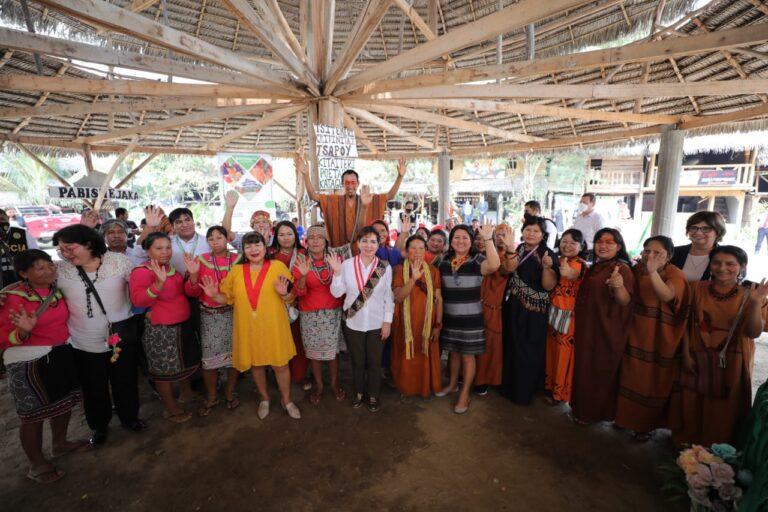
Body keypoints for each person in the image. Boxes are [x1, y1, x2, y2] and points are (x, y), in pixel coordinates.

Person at [53, 225, 146, 443]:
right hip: (82, 341)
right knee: (93, 387)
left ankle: (129, 418)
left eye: (69, 248)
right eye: (61, 250)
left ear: (88, 244)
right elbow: (35, 285)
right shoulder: (59, 269)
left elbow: (139, 288)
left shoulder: (118, 261)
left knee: (126, 381)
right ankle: (99, 426)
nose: (65, 254)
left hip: (120, 337)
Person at [0, 250, 86, 483]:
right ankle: (36, 464)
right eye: (39, 268)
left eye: (49, 265)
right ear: (23, 273)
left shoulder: (54, 289)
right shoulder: (11, 297)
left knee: (63, 403)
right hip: (28, 361)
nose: (48, 270)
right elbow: (3, 335)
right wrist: (24, 331)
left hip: (59, 352)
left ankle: (60, 443)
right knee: (33, 415)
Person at [670, 246, 768, 446]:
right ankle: (689, 447)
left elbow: (753, 333)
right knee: (692, 398)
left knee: (725, 405)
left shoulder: (752, 293)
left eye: (730, 264)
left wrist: (757, 304)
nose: (722, 268)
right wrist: (687, 354)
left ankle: (718, 450)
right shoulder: (697, 288)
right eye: (716, 262)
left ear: (742, 267)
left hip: (733, 359)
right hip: (697, 352)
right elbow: (687, 323)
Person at [199, 232, 301, 420]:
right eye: (248, 246)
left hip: (274, 326)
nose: (253, 250)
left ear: (265, 247)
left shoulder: (278, 266)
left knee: (280, 365)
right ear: (243, 251)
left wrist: (284, 293)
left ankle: (287, 401)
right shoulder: (237, 271)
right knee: (257, 365)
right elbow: (226, 299)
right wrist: (214, 295)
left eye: (257, 245)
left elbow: (292, 298)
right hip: (248, 327)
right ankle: (265, 399)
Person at [614, 236, 690, 440]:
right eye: (647, 251)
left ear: (669, 256)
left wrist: (653, 271)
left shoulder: (675, 274)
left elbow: (667, 296)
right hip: (635, 330)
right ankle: (624, 418)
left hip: (660, 337)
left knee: (650, 382)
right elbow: (626, 298)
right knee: (629, 376)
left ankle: (644, 426)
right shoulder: (636, 269)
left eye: (658, 253)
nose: (651, 255)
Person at [130, 232, 200, 423]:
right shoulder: (142, 271)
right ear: (148, 251)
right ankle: (171, 409)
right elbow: (138, 300)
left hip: (181, 325)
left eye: (168, 248)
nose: (165, 252)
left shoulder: (170, 268)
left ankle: (186, 394)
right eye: (158, 248)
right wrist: (158, 285)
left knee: (182, 365)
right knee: (163, 372)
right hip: (161, 330)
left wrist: (193, 276)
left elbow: (188, 292)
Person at [570, 228, 634, 424]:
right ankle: (581, 411)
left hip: (606, 331)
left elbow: (625, 301)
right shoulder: (596, 266)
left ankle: (593, 414)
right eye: (599, 241)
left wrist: (618, 285)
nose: (603, 246)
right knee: (584, 370)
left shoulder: (621, 269)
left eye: (609, 242)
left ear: (619, 247)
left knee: (599, 373)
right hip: (588, 329)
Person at [436, 222, 500, 414]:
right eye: (456, 237)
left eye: (465, 237)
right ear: (451, 241)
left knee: (467, 356)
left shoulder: (477, 260)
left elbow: (495, 265)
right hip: (450, 317)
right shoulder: (443, 261)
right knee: (453, 353)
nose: (460, 241)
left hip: (471, 318)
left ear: (471, 241)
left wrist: (488, 238)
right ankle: (452, 385)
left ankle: (464, 394)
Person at [330, 227, 394, 412]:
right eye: (364, 241)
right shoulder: (347, 264)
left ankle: (373, 395)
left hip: (377, 323)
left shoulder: (384, 267)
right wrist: (336, 273)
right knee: (357, 362)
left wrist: (387, 322)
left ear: (378, 244)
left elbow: (388, 297)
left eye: (373, 241)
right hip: (353, 322)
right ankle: (358, 392)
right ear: (358, 243)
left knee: (374, 362)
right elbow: (337, 292)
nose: (368, 245)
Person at [501, 217, 559, 405]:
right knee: (513, 346)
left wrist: (547, 268)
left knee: (529, 350)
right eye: (528, 230)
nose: (531, 234)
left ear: (543, 235)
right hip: (514, 306)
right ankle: (509, 388)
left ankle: (524, 392)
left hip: (534, 312)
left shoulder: (547, 254)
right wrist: (510, 249)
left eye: (536, 231)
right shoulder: (518, 249)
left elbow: (548, 285)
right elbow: (509, 270)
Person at [183, 226, 241, 416]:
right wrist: (192, 275)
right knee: (209, 360)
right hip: (210, 316)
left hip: (235, 314)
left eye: (219, 237)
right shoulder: (201, 260)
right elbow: (192, 292)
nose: (215, 241)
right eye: (211, 238)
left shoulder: (238, 259)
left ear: (227, 239)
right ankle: (212, 396)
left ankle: (230, 393)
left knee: (235, 357)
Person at [297, 155, 406, 253]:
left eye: (353, 182)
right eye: (347, 183)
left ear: (358, 184)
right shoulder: (334, 201)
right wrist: (306, 175)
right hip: (341, 254)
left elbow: (390, 196)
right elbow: (313, 196)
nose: (350, 186)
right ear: (342, 184)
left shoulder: (367, 198)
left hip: (365, 253)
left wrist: (400, 177)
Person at [292, 226, 345, 404]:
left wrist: (337, 271)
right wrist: (302, 276)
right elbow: (298, 293)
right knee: (314, 354)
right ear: (306, 241)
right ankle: (319, 386)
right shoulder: (301, 261)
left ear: (325, 241)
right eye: (311, 238)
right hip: (309, 314)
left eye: (319, 238)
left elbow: (344, 286)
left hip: (332, 313)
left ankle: (334, 384)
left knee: (332, 353)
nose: (315, 241)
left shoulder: (336, 259)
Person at [391, 235, 443, 400]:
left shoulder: (434, 271)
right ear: (406, 251)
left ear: (426, 250)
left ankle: (425, 387)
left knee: (424, 354)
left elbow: (438, 299)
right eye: (413, 248)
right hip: (405, 325)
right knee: (406, 356)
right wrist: (413, 279)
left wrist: (437, 325)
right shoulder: (399, 270)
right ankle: (406, 388)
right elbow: (398, 297)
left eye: (421, 248)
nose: (418, 252)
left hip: (426, 324)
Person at [544, 229, 588, 404]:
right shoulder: (562, 259)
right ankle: (551, 386)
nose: (567, 245)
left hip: (569, 317)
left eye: (573, 243)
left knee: (563, 353)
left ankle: (559, 393)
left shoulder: (581, 264)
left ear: (581, 246)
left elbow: (570, 274)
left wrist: (566, 270)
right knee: (553, 349)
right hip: (555, 312)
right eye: (564, 241)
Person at [475, 224, 515, 395]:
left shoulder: (512, 254)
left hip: (497, 308)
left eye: (504, 234)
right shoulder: (485, 251)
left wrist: (510, 248)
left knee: (492, 346)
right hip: (481, 305)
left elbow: (507, 268)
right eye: (497, 234)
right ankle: (475, 378)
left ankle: (487, 379)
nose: (500, 237)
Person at [268, 220, 309, 386]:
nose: (285, 238)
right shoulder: (269, 254)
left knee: (297, 340)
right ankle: (280, 375)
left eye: (289, 234)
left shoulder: (303, 253)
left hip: (297, 304)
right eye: (281, 234)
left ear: (296, 235)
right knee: (278, 341)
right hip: (274, 304)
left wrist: (291, 296)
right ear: (276, 236)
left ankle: (299, 375)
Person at [671, 211, 726, 281]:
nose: (698, 232)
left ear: (718, 232)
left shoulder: (726, 257)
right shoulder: (673, 252)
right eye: (693, 228)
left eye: (706, 229)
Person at [0, 208, 38, 288]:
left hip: (20, 284)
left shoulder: (23, 234)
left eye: (2, 219)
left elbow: (37, 257)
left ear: (8, 219)